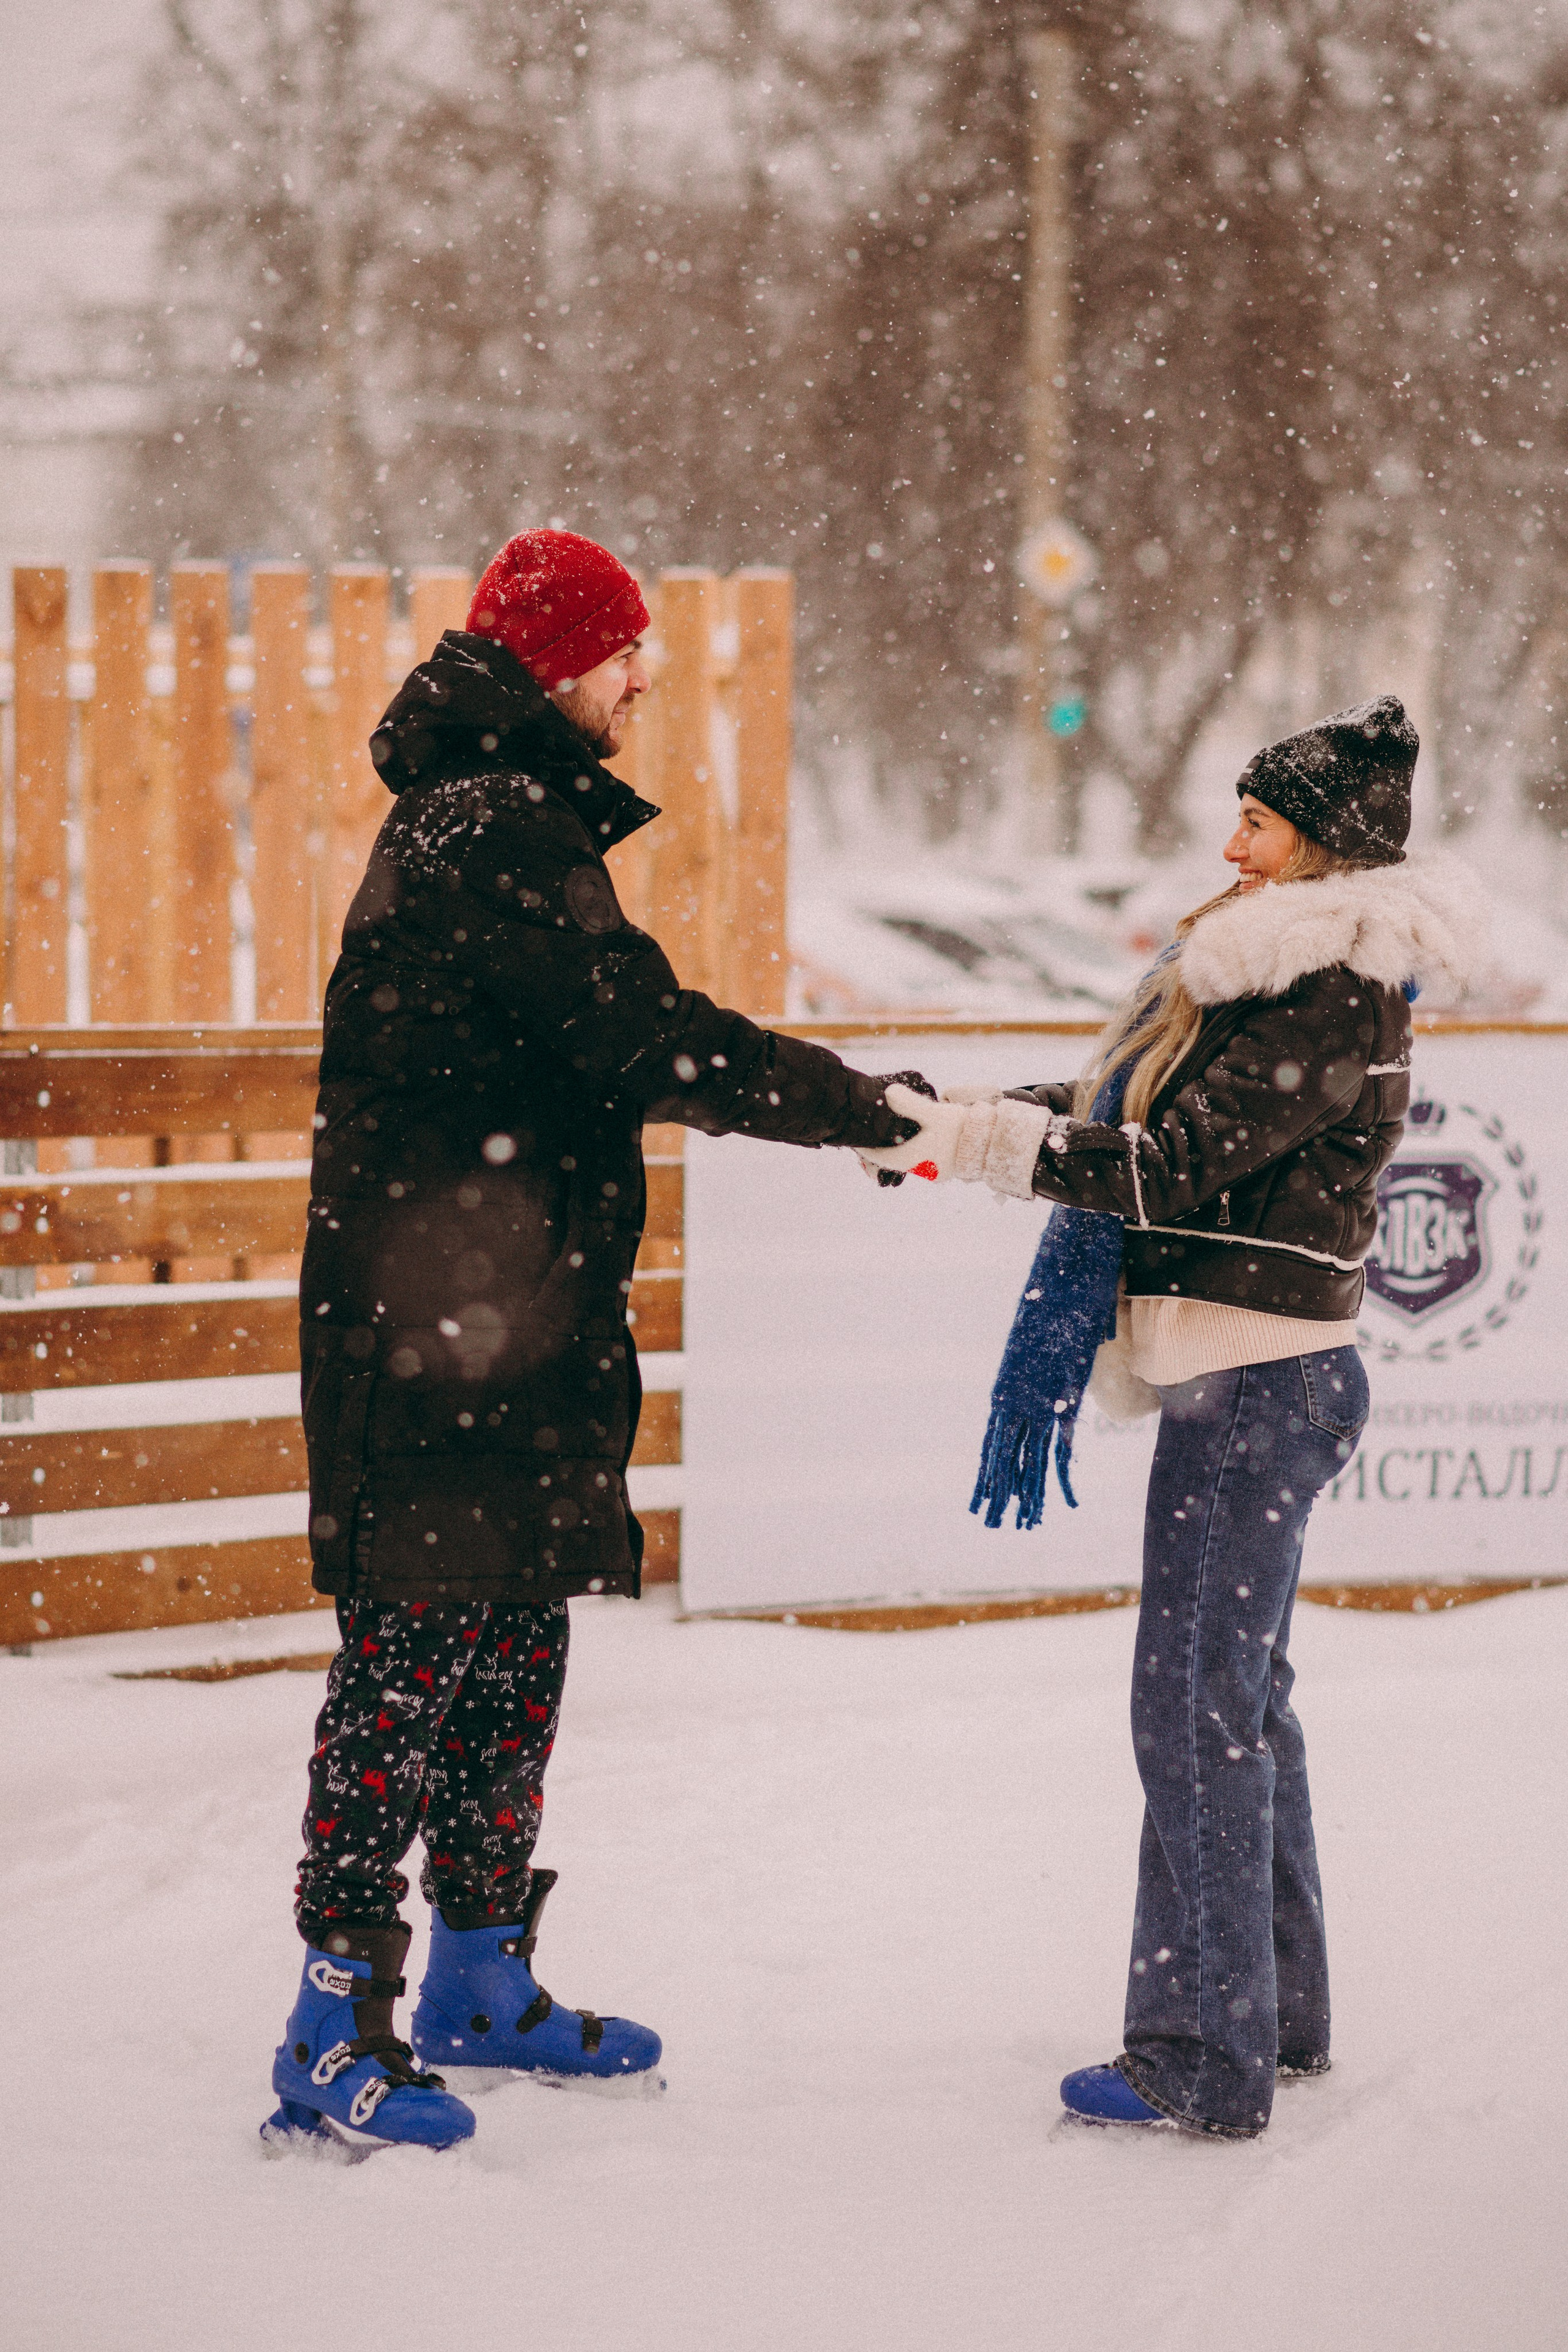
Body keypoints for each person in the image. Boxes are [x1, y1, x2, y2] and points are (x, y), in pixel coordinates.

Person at [263, 528, 923, 2154]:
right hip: (430, 1331)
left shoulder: (509, 810)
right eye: (625, 654)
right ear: (560, 662)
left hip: (511, 1320)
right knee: (410, 1665)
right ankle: (329, 2023)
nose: (643, 681)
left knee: (511, 1648)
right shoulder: (489, 821)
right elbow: (638, 1033)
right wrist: (857, 1107)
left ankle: (480, 1979)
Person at [862, 696, 1482, 2139]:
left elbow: (1161, 1164)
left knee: (1193, 1707)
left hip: (1259, 1385)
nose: (1227, 847)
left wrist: (974, 1143)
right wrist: (943, 1124)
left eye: (1254, 824)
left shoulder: (1328, 988)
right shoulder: (1265, 977)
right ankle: (1273, 2011)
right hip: (1253, 1380)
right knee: (1235, 1699)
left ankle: (1204, 2048)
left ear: (1319, 846)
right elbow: (1115, 1104)